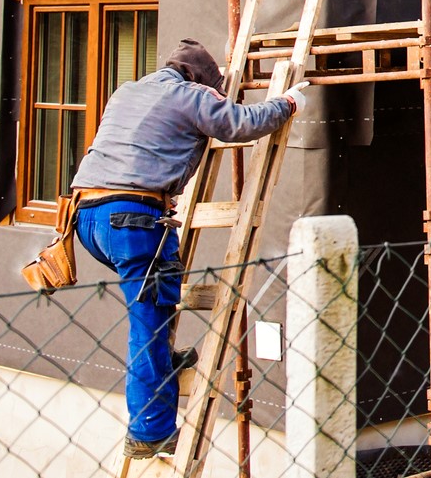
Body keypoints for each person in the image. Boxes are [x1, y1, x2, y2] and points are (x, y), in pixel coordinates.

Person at [66, 39, 306, 459]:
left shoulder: (129, 90)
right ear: (201, 81)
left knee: (155, 305)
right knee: (147, 327)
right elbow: (238, 124)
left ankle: (163, 363)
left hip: (87, 218)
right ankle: (149, 432)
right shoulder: (189, 94)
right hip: (132, 220)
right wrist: (287, 103)